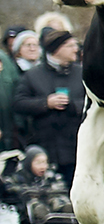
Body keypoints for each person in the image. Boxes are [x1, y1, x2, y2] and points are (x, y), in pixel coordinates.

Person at [13, 28, 85, 183]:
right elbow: (19, 103)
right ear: (57, 49)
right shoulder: (33, 75)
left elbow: (94, 102)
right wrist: (46, 103)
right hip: (45, 149)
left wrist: (73, 105)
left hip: (78, 148)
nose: (76, 49)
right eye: (71, 45)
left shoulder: (82, 73)